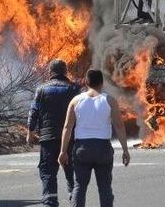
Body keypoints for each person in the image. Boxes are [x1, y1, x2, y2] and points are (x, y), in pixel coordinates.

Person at [58, 69, 130, 207]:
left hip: (82, 148)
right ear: (102, 83)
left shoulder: (76, 100)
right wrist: (125, 150)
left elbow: (67, 127)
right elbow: (119, 126)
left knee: (79, 186)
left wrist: (63, 151)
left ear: (86, 82)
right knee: (104, 187)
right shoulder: (109, 100)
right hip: (103, 148)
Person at [27, 59, 81, 207]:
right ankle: (75, 201)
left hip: (48, 137)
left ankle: (50, 203)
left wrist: (30, 131)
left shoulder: (41, 89)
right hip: (70, 138)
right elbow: (81, 113)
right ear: (65, 72)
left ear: (50, 72)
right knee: (72, 172)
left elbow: (34, 111)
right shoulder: (74, 89)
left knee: (48, 172)